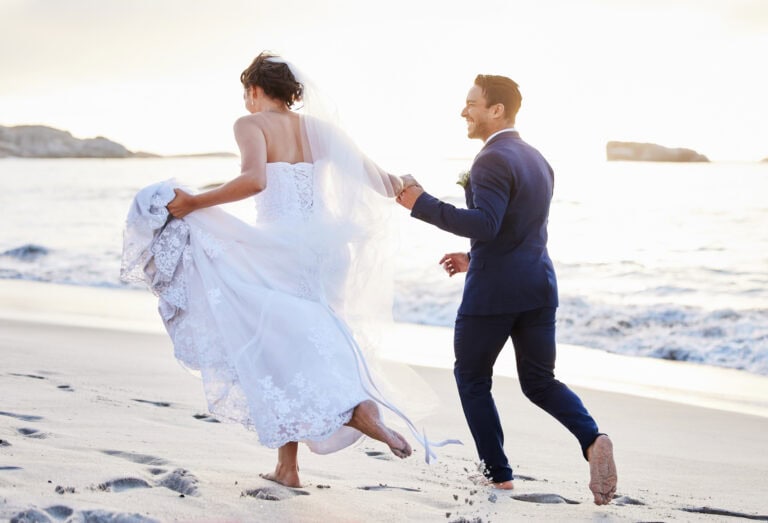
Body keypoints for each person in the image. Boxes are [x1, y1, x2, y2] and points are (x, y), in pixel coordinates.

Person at [120, 52, 456, 489]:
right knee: (299, 343)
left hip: (279, 248)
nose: (246, 102)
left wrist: (194, 203)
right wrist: (410, 183)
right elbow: (385, 183)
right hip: (327, 251)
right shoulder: (321, 130)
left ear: (256, 90)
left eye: (247, 93)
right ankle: (289, 466)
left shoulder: (251, 125)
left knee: (273, 348)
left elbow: (254, 181)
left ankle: (356, 408)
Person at [395, 74, 618, 505]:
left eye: (471, 103)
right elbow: (518, 230)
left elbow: (487, 224)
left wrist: (419, 202)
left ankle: (498, 475)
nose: (465, 111)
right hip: (538, 285)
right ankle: (593, 439)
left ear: (496, 110)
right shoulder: (538, 159)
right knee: (539, 381)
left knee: (472, 378)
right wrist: (473, 257)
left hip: (494, 295)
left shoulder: (490, 159)